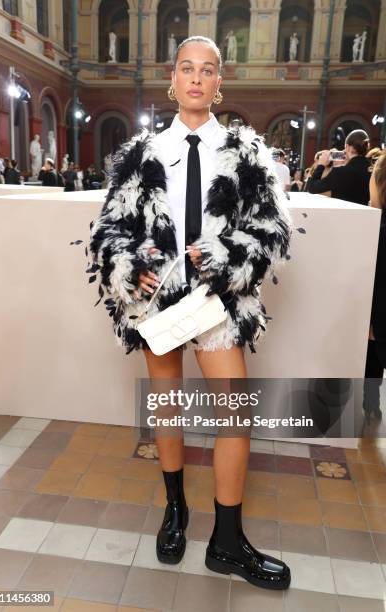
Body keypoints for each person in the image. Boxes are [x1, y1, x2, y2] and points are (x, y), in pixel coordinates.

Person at [88, 35, 292, 590]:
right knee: (170, 406)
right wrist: (130, 265)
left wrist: (227, 256)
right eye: (186, 69)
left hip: (217, 301)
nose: (197, 78)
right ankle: (175, 511)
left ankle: (227, 540)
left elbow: (273, 228)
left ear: (219, 84)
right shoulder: (140, 154)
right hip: (157, 303)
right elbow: (108, 230)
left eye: (208, 70)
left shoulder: (247, 153)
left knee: (234, 414)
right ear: (171, 81)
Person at [363, 152, 386, 421]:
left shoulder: (377, 233)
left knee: (372, 353)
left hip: (379, 315)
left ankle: (371, 402)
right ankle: (371, 403)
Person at [307, 130, 371, 204]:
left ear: (347, 147)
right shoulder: (373, 169)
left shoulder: (341, 172)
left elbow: (312, 187)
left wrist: (321, 165)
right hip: (367, 214)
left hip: (344, 214)